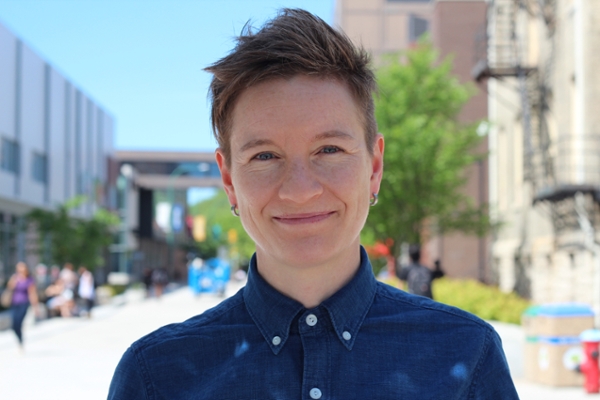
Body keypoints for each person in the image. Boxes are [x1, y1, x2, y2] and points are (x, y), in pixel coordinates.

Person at [109, 9, 519, 399]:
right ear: (230, 179)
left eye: (328, 149)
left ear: (374, 167)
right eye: (265, 156)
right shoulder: (156, 376)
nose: (299, 190)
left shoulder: (466, 354)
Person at [6, 262, 39, 351]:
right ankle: (20, 339)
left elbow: (32, 294)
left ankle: (21, 341)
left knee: (19, 322)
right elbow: (9, 288)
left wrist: (35, 307)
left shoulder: (29, 280)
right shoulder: (15, 278)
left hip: (24, 303)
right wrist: (13, 281)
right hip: (14, 303)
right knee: (14, 325)